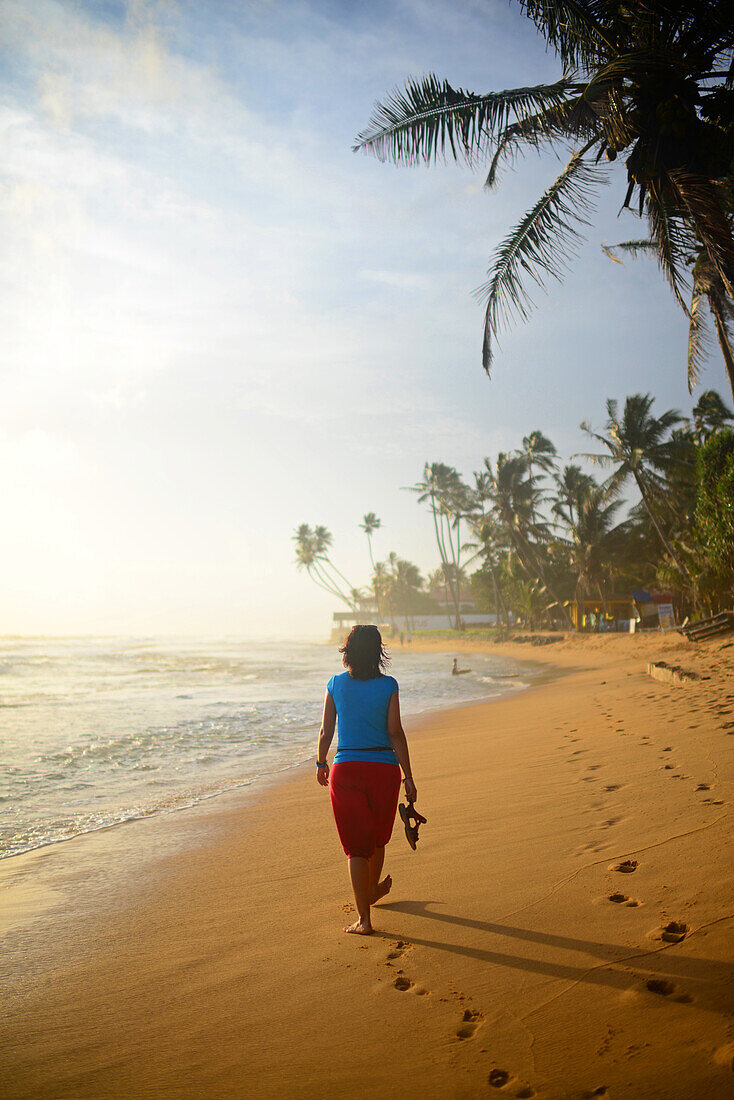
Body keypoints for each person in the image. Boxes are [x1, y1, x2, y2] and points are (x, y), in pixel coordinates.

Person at [316, 625, 417, 935]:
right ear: (378, 653)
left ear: (347, 652)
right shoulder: (389, 686)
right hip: (384, 769)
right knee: (377, 840)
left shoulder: (335, 684)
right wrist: (409, 776)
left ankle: (365, 919)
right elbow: (395, 732)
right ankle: (371, 892)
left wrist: (321, 763)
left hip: (346, 769)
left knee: (356, 850)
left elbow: (326, 732)